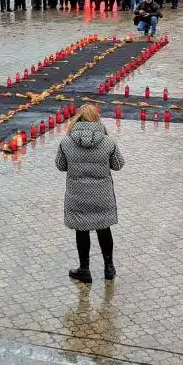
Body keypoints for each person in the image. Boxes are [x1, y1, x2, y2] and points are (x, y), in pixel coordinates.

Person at [57, 104, 125, 283]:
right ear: (96, 119)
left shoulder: (66, 141)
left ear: (77, 119)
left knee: (82, 231)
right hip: (102, 196)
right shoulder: (107, 141)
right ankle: (109, 268)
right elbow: (118, 164)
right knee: (104, 229)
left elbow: (60, 165)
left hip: (77, 195)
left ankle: (84, 270)